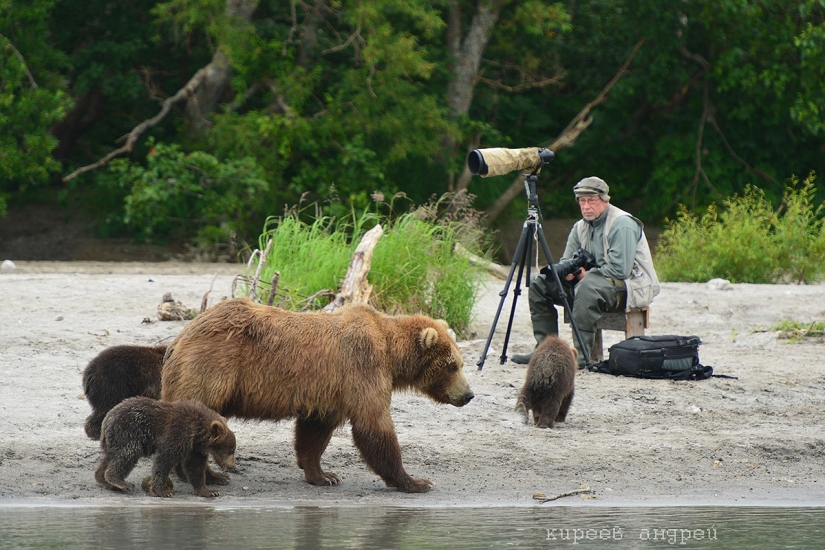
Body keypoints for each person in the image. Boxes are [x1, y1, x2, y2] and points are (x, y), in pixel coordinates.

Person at [511, 176, 660, 368]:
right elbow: (566, 260)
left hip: (631, 287)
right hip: (595, 284)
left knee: (587, 286)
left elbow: (620, 269)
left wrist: (584, 275)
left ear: (605, 200)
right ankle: (545, 351)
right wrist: (567, 272)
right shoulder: (579, 227)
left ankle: (582, 354)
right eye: (582, 201)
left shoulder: (622, 224)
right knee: (540, 283)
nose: (586, 206)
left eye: (592, 200)